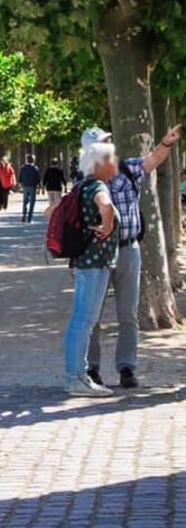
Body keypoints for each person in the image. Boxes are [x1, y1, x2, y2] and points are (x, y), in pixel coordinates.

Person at [85, 122, 181, 390]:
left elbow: (152, 160)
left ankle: (126, 367)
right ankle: (91, 369)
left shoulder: (126, 170)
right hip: (98, 254)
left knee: (128, 313)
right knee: (92, 315)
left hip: (128, 249)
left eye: (107, 142)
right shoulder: (85, 182)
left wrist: (166, 143)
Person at [63, 140, 120, 397]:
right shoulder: (97, 186)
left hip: (85, 262)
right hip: (94, 262)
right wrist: (107, 225)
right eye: (111, 159)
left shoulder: (81, 185)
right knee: (84, 320)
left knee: (82, 319)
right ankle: (76, 376)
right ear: (99, 164)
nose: (115, 163)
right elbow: (105, 204)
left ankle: (77, 374)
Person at [18, 154, 41, 223]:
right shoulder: (35, 168)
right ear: (33, 160)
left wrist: (20, 186)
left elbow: (20, 177)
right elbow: (38, 179)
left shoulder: (23, 167)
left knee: (25, 201)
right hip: (32, 186)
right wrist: (39, 188)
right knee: (32, 202)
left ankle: (24, 215)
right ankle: (29, 218)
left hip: (25, 186)